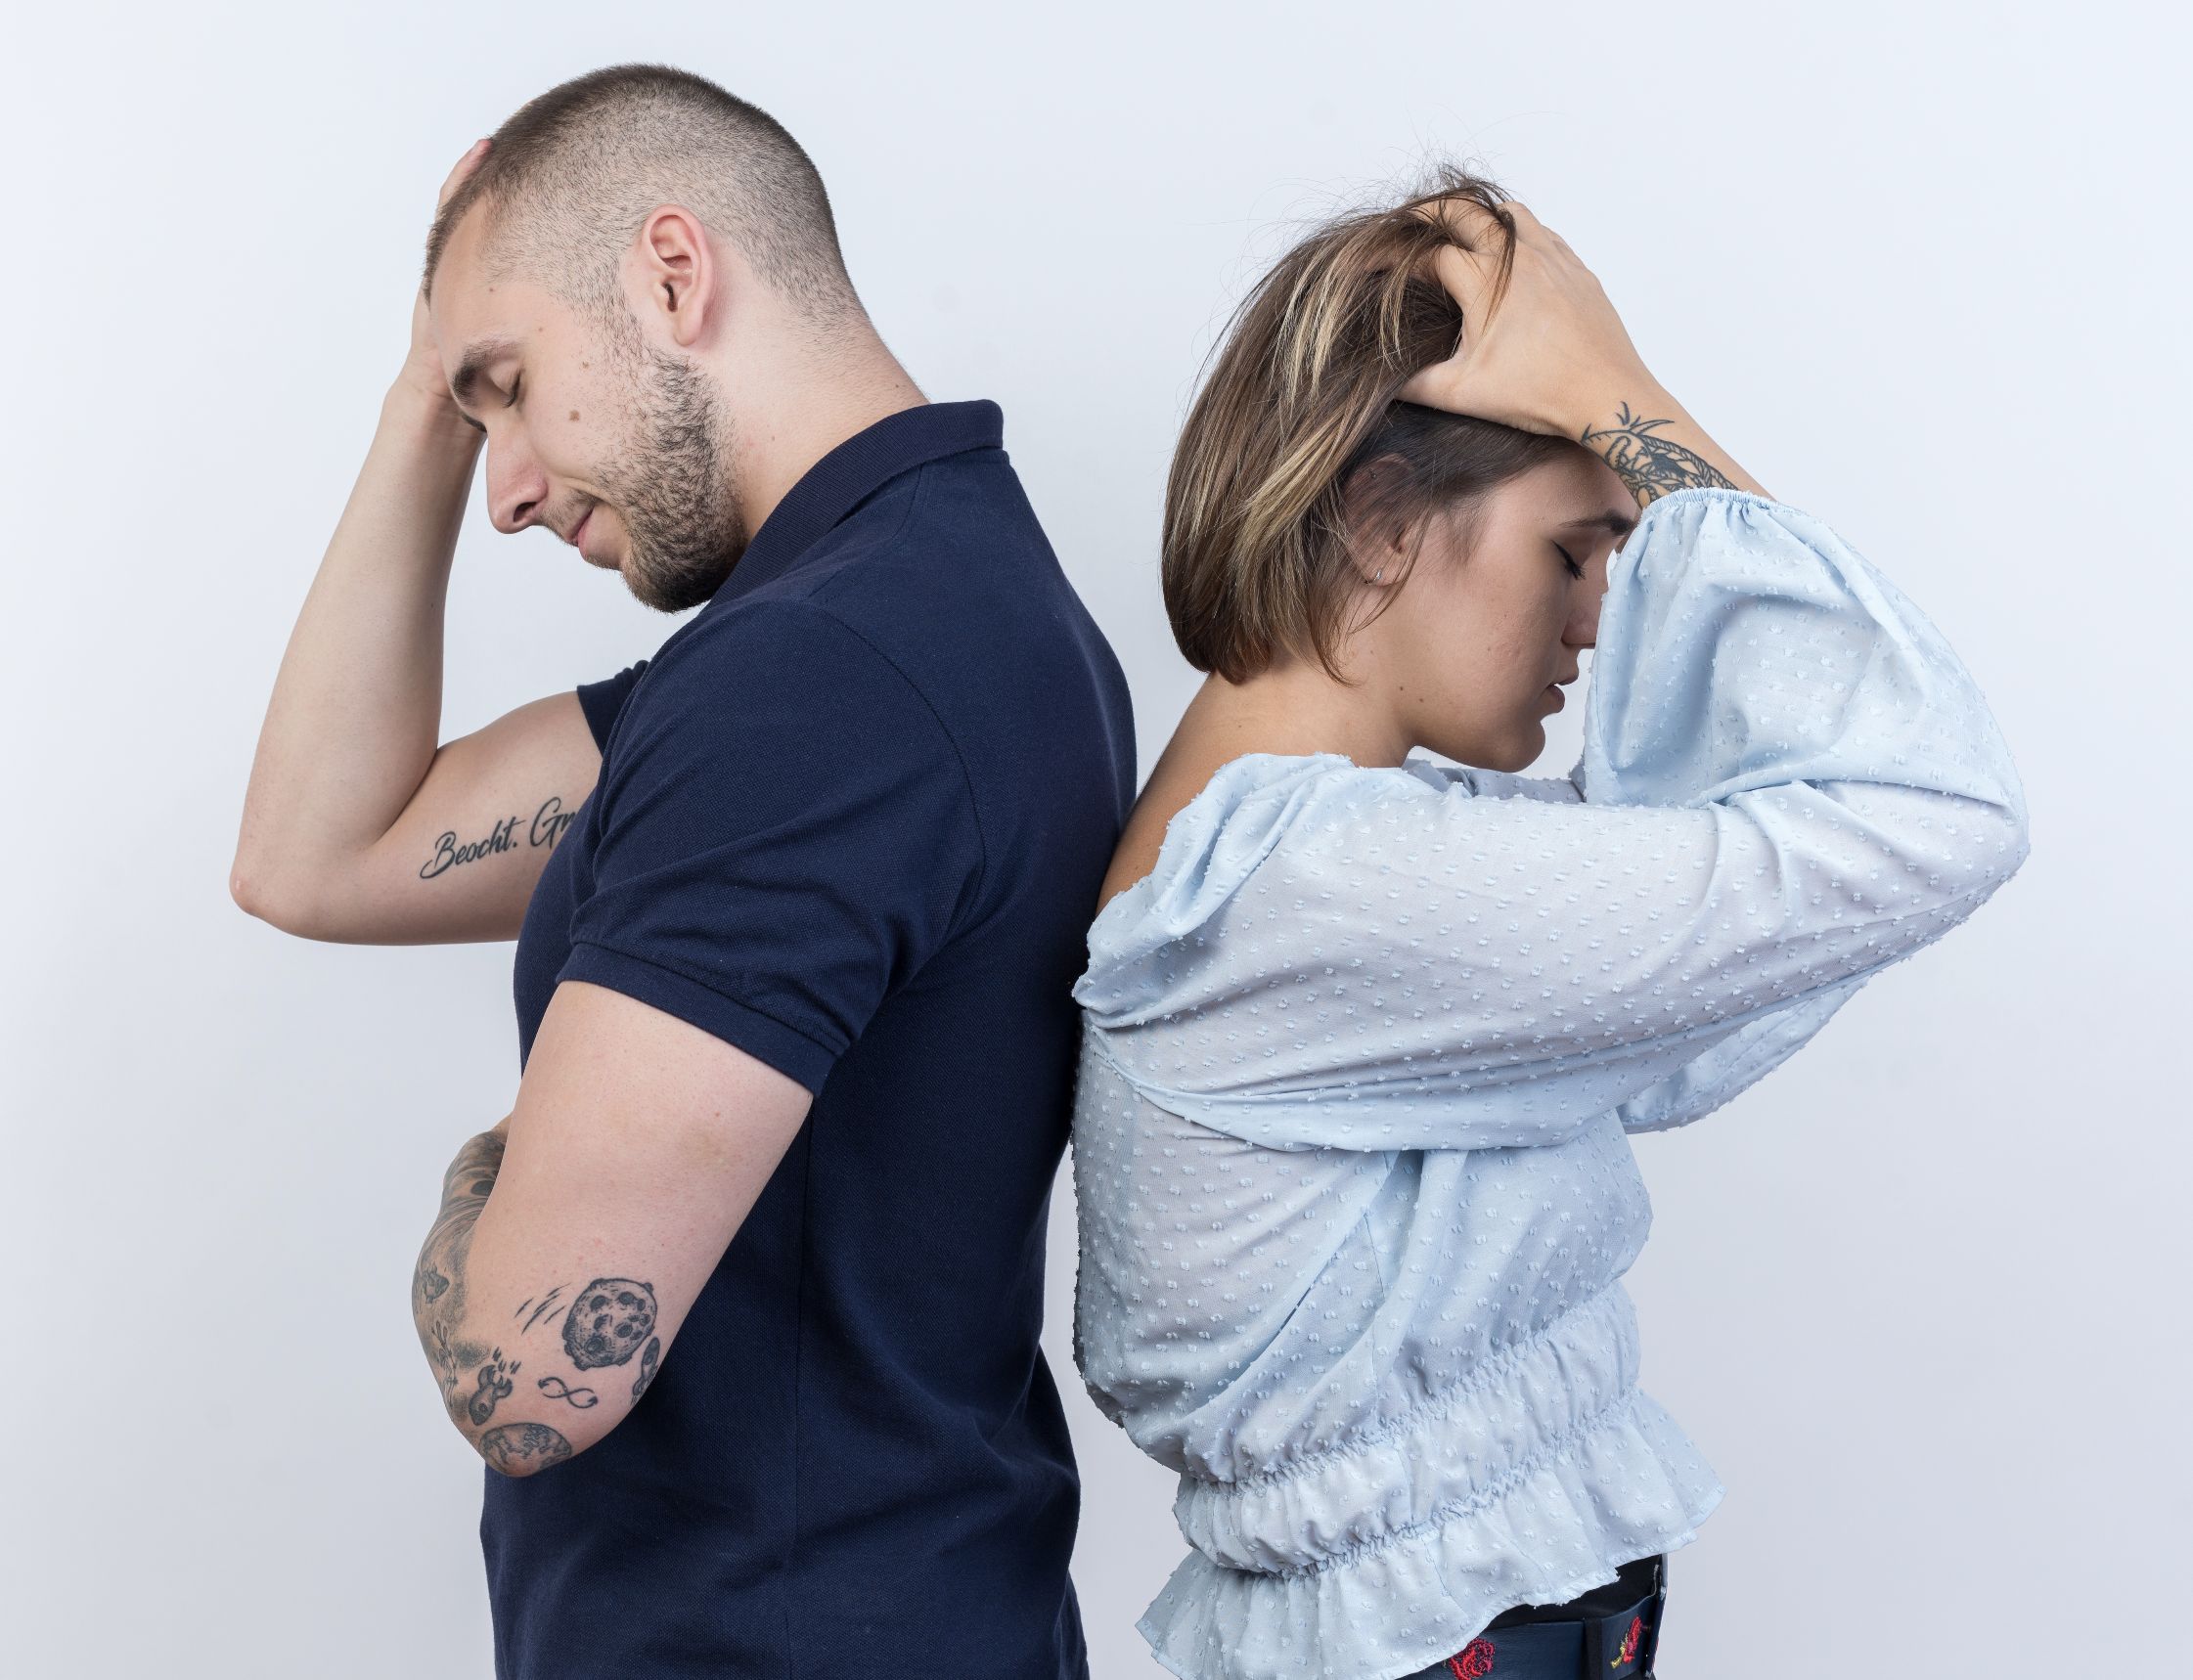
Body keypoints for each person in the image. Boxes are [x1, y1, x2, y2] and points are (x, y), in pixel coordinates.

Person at [231, 66, 1133, 1680]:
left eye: (505, 387)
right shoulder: (924, 606)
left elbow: (526, 1369)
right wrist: (425, 379)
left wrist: (492, 1172)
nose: (501, 486)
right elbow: (319, 854)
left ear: (670, 272)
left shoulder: (820, 685)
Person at [1069, 172, 2027, 1680]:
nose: (1598, 615)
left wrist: (1601, 415)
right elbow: (1931, 803)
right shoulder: (1296, 890)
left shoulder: (1324, 875)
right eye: (1571, 551)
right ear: (1383, 523)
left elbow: (1677, 1012)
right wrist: (1613, 388)